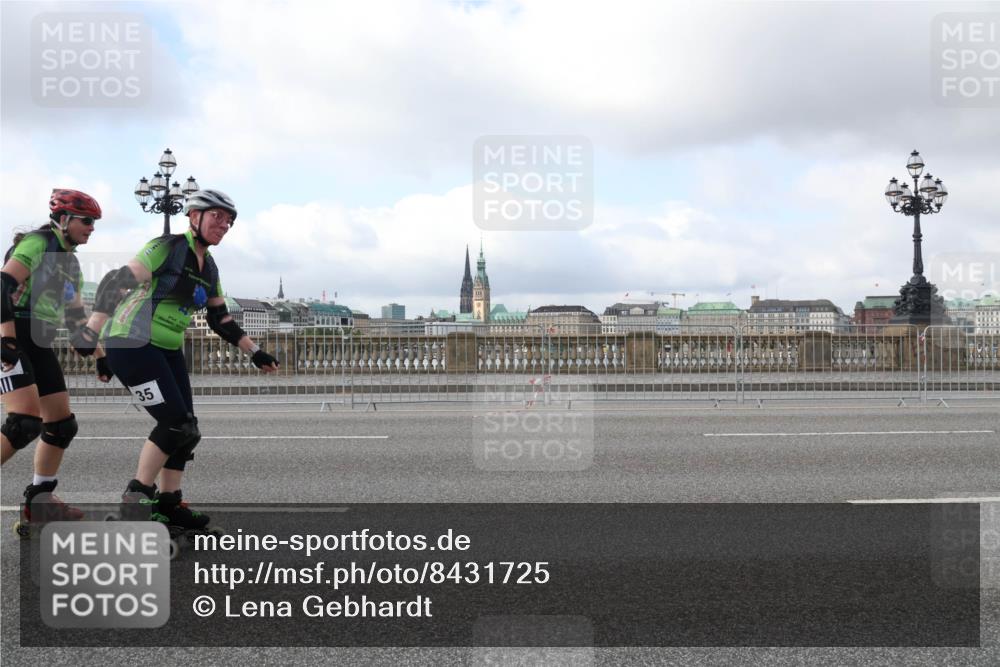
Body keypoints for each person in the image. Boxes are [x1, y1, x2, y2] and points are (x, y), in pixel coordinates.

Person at [78, 189, 278, 530]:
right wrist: (91, 328)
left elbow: (221, 320)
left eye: (229, 220)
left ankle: (169, 504)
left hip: (167, 349)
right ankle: (135, 501)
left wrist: (255, 352)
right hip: (131, 342)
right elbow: (117, 281)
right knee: (173, 423)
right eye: (217, 216)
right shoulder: (167, 247)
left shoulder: (210, 268)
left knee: (188, 429)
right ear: (194, 215)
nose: (224, 224)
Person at [1, 188, 110, 526]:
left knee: (61, 426)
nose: (92, 228)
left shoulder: (70, 263)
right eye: (87, 221)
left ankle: (40, 501)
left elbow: (76, 322)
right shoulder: (38, 243)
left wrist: (101, 355)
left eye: (95, 223)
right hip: (11, 331)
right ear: (63, 219)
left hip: (38, 338)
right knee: (24, 423)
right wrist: (6, 340)